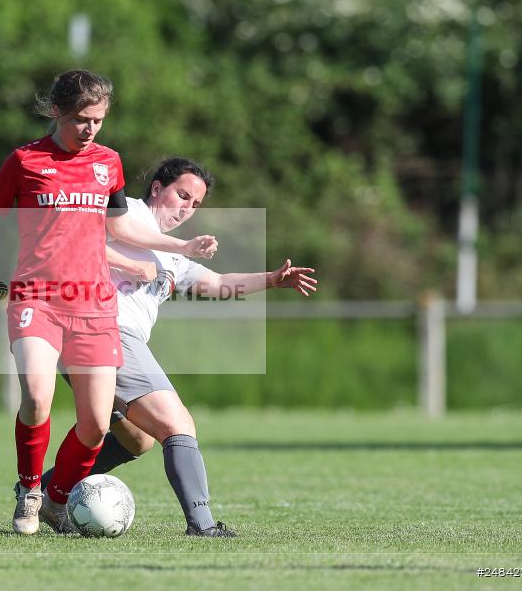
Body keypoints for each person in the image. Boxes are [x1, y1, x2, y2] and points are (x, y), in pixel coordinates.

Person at [0, 72, 218, 535]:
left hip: (94, 307)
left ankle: (57, 499)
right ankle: (29, 492)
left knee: (98, 425)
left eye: (98, 120)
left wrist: (179, 249)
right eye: (81, 119)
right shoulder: (26, 160)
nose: (90, 128)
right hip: (37, 296)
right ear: (57, 112)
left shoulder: (108, 163)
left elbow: (119, 228)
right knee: (37, 398)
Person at [40, 157, 317, 536]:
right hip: (102, 329)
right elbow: (75, 242)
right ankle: (202, 526)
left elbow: (218, 283)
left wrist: (271, 279)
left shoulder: (173, 252)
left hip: (96, 340)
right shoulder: (129, 214)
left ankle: (42, 492)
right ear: (157, 188)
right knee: (177, 423)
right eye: (182, 195)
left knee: (135, 441)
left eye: (196, 204)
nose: (187, 208)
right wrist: (131, 265)